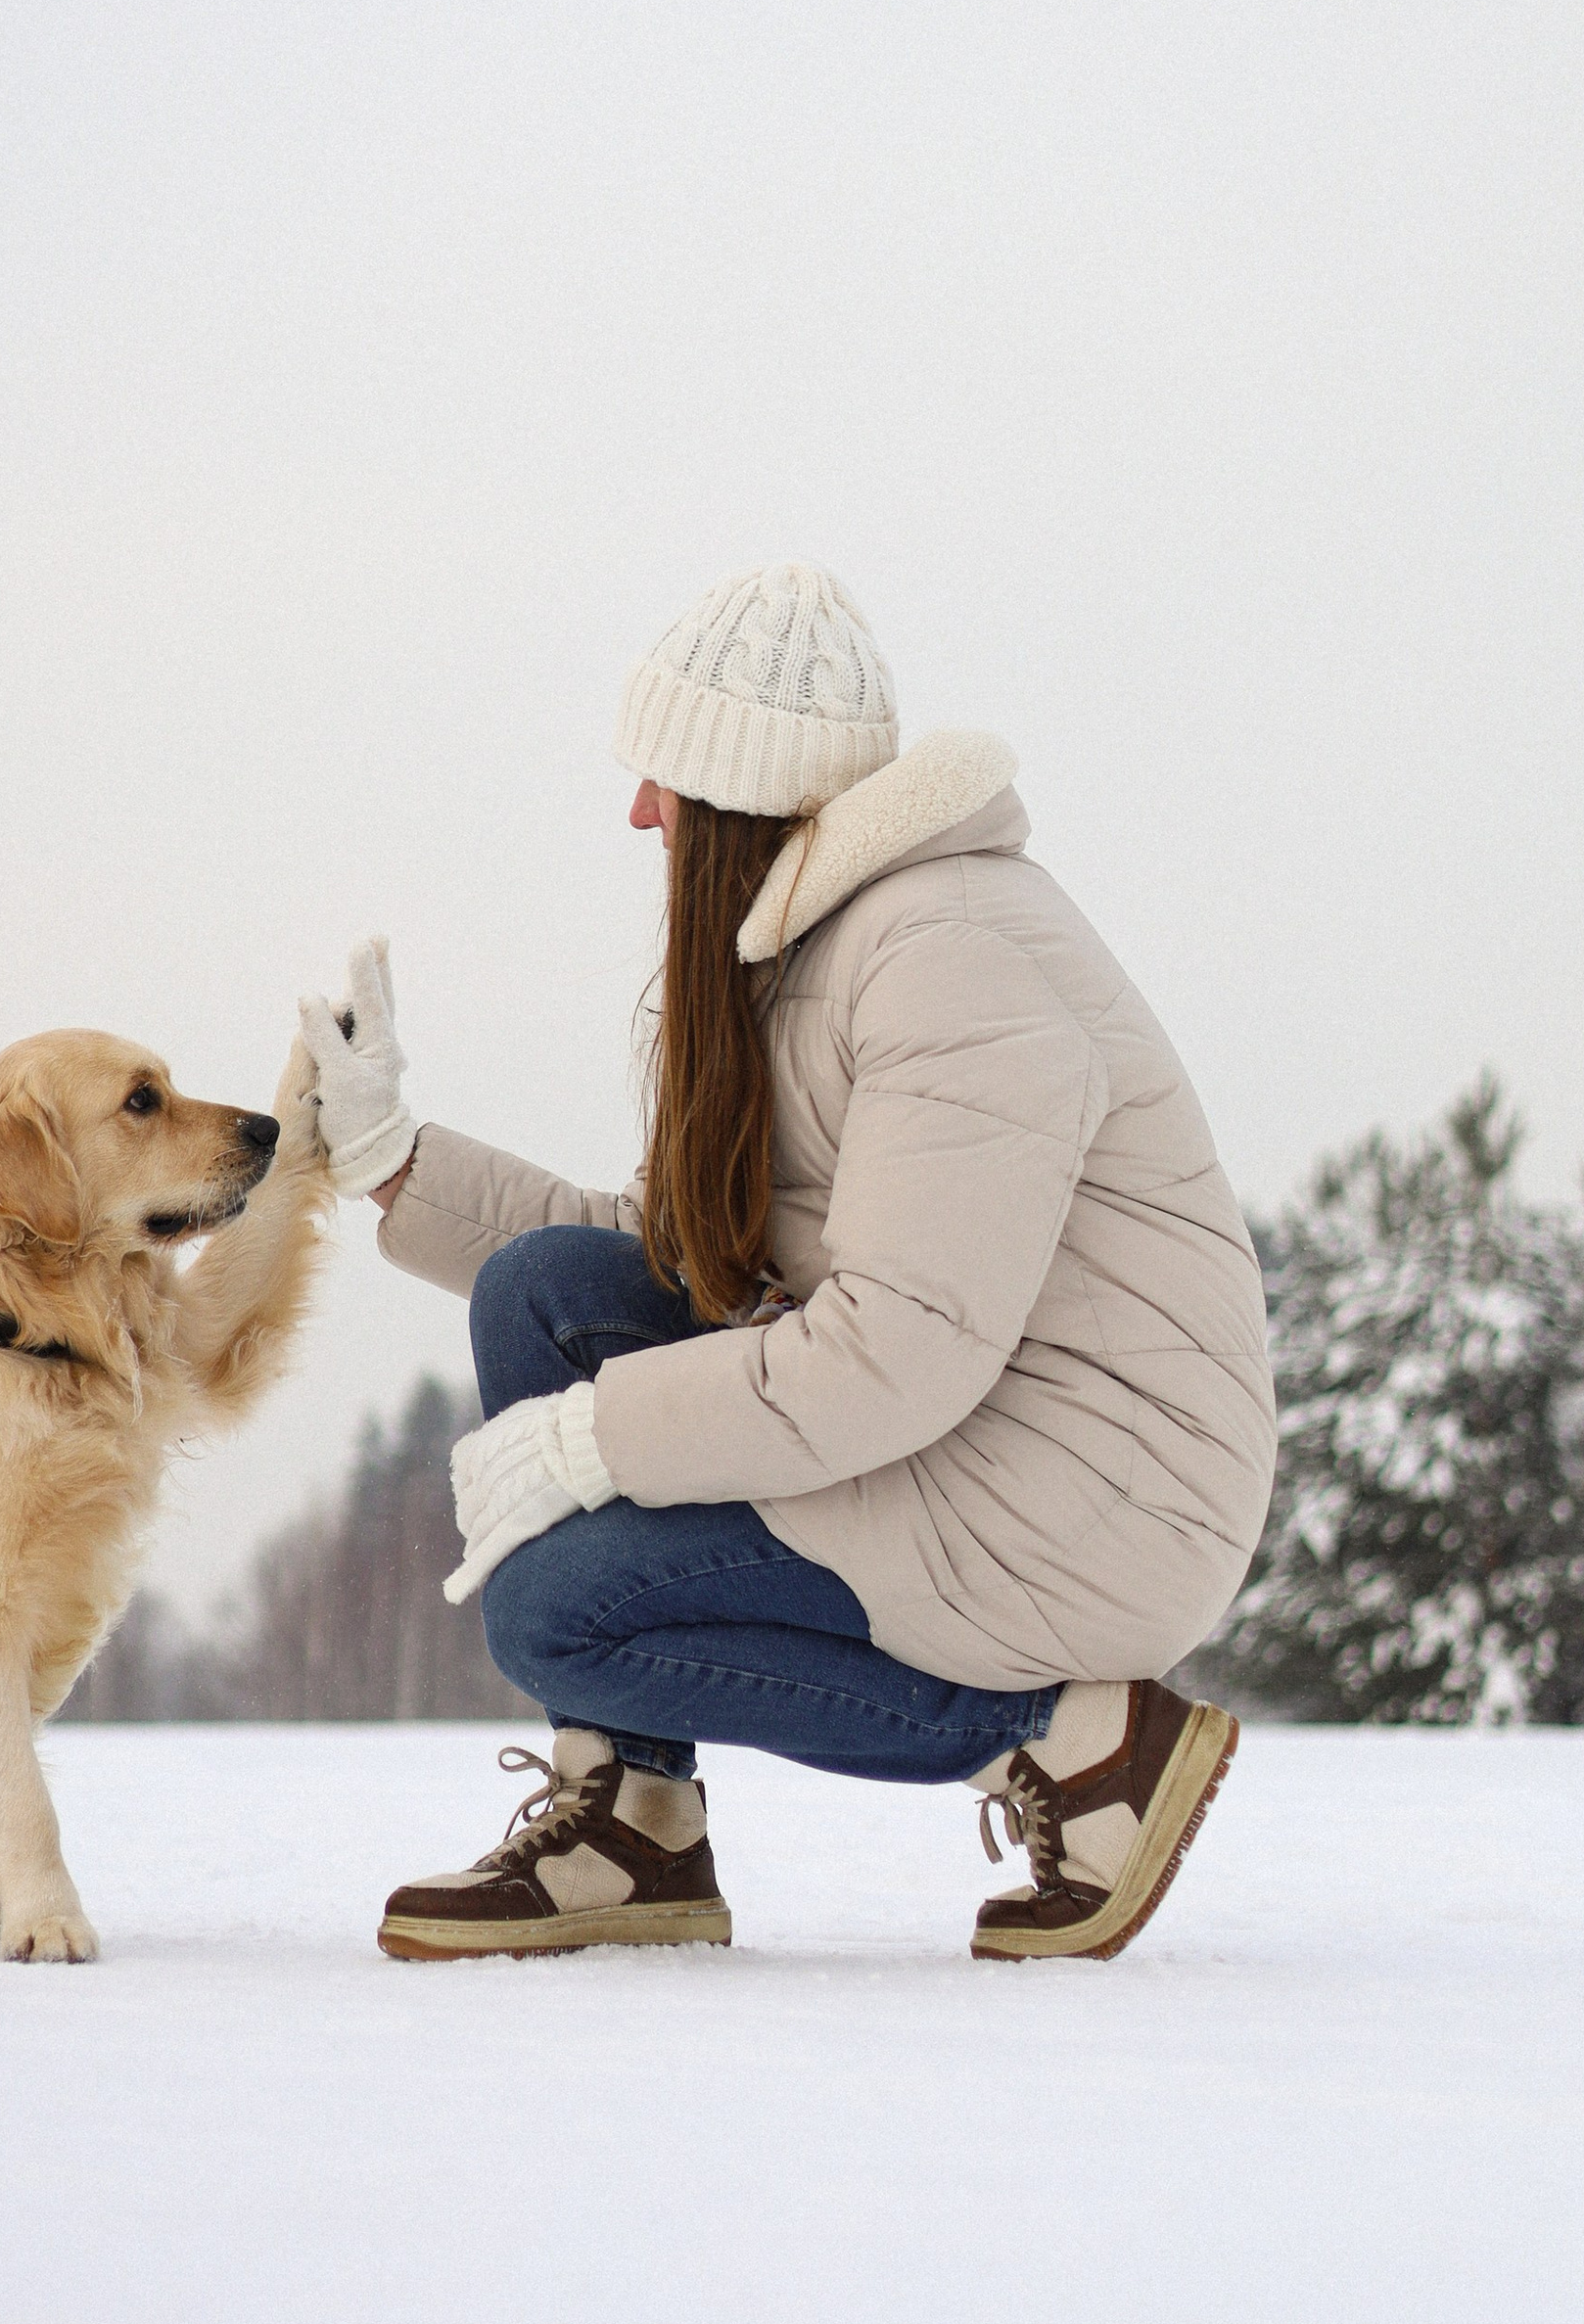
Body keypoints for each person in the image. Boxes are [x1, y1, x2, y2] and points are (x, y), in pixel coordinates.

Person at [298, 562, 1278, 1964]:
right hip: (985, 1430)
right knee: (549, 1293)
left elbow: (896, 1346)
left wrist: (597, 1443)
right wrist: (393, 1155)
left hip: (1097, 1489)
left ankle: (1083, 1739)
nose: (640, 811)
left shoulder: (945, 951)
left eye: (665, 779)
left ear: (739, 788)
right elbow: (674, 1253)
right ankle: (633, 1828)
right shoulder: (823, 945)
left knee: (555, 1610)